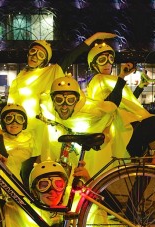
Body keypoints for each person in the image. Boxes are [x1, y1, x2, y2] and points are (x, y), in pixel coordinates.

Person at [7, 32, 116, 187]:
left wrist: (94, 38)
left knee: (33, 170)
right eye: (33, 52)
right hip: (18, 129)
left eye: (40, 54)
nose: (35, 56)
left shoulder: (48, 72)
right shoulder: (19, 78)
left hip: (39, 131)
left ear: (45, 59)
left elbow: (71, 56)